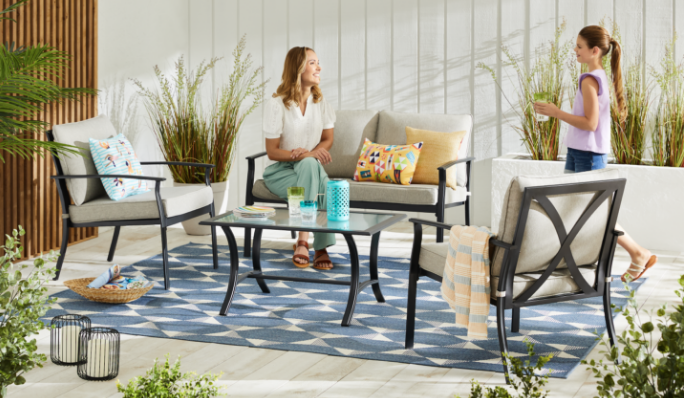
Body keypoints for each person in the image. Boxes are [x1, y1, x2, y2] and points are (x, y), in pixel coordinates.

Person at [534, 25, 657, 282]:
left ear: (594, 50)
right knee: (572, 209)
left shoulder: (590, 79)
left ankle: (638, 253)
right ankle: (575, 264)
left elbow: (590, 123)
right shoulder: (597, 76)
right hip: (580, 152)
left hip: (587, 155)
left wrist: (556, 113)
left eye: (579, 47)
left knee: (595, 212)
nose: (575, 50)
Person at [262, 46, 336, 270]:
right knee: (325, 184)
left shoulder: (321, 103)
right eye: (312, 63)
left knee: (311, 166)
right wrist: (307, 155)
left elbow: (327, 139)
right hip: (280, 172)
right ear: (298, 68)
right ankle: (318, 246)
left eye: (317, 62)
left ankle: (303, 241)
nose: (318, 67)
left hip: (308, 170)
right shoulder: (276, 105)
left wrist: (310, 154)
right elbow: (272, 151)